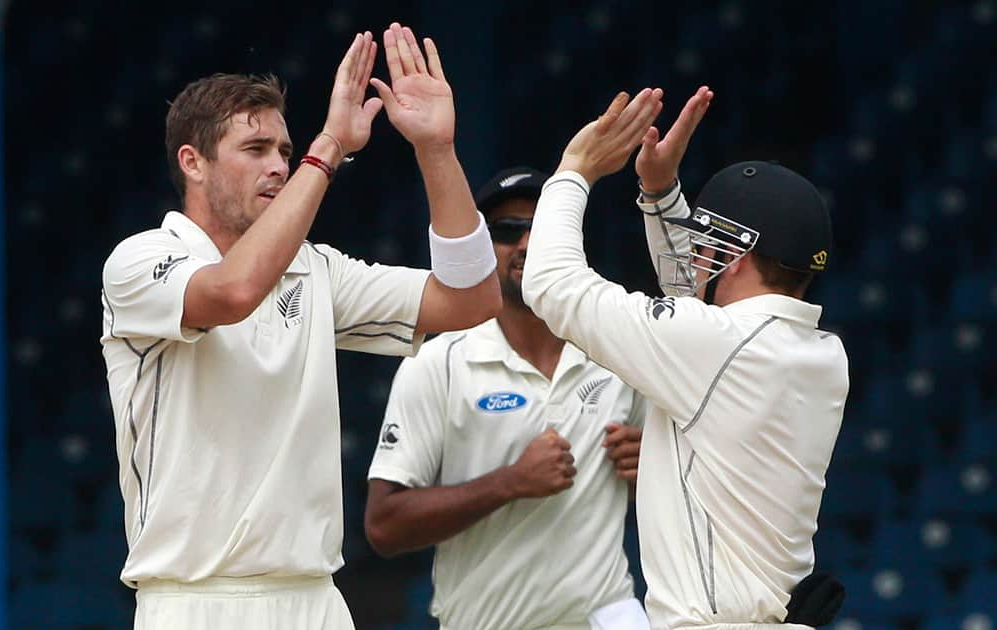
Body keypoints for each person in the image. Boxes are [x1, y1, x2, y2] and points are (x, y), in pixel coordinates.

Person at [99, 24, 501, 630]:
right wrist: (329, 147)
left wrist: (435, 152)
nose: (280, 167)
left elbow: (471, 300)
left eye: (286, 152)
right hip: (194, 601)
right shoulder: (137, 262)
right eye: (255, 149)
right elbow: (233, 290)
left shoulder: (315, 268)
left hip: (316, 598)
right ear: (193, 163)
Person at [520, 86, 849, 630]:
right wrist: (660, 193)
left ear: (735, 256)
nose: (694, 256)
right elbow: (694, 306)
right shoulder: (822, 355)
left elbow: (552, 285)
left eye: (704, 244)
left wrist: (573, 170)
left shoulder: (717, 346)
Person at [364, 167, 650, 630]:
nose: (525, 244)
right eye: (507, 230)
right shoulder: (439, 362)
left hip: (610, 618)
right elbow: (384, 526)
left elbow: (678, 498)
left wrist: (651, 471)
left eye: (543, 229)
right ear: (482, 246)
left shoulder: (619, 351)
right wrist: (511, 482)